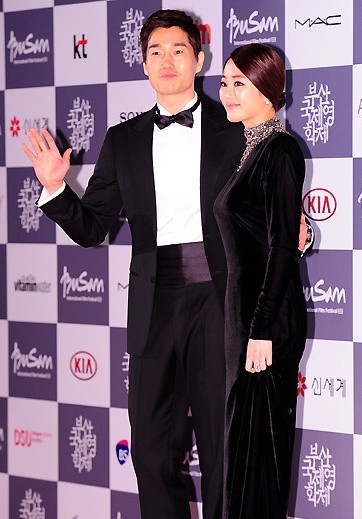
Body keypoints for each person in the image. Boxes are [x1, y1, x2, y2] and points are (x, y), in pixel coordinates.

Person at [22, 10, 310, 518]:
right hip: (155, 306)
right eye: (155, 52)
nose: (167, 61)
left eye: (179, 50)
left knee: (225, 453)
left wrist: (296, 233)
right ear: (143, 64)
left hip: (223, 305)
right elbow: (93, 230)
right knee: (152, 453)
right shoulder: (124, 140)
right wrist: (53, 187)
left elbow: (270, 206)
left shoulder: (236, 122)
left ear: (199, 59)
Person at [215, 43, 307, 519]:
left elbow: (281, 249)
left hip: (264, 325)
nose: (227, 92)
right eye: (226, 82)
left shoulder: (281, 150)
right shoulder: (250, 149)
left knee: (260, 460)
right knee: (244, 455)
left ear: (269, 91)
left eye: (239, 84)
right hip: (244, 319)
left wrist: (262, 329)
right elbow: (270, 232)